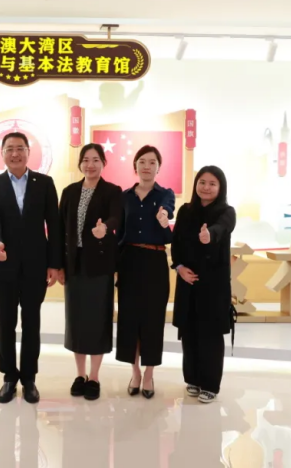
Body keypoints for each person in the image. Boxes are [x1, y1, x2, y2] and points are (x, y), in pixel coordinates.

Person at [0, 132, 62, 404]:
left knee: (31, 323)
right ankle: (9, 377)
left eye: (20, 148)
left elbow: (54, 224)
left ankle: (29, 379)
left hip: (35, 266)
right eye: (9, 149)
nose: (15, 154)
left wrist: (54, 263)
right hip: (2, 264)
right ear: (2, 153)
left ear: (29, 152)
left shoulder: (44, 183)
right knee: (6, 323)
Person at [58, 143, 122, 401]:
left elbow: (117, 217)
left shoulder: (112, 191)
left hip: (100, 265)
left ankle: (94, 377)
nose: (90, 164)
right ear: (80, 164)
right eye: (86, 159)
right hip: (74, 264)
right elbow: (60, 230)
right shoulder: (70, 192)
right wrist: (59, 264)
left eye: (96, 159)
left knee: (98, 320)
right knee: (76, 320)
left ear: (103, 163)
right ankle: (80, 374)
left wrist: (105, 227)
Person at [171, 166, 236, 404]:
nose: (206, 187)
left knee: (210, 334)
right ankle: (193, 379)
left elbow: (222, 228)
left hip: (213, 285)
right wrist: (179, 267)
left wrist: (210, 235)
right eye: (202, 182)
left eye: (212, 183)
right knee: (189, 333)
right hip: (187, 280)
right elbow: (176, 243)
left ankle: (210, 384)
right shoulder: (186, 210)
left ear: (220, 188)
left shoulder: (227, 212)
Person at [116, 145, 175, 399]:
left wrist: (164, 217)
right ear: (135, 166)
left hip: (154, 260)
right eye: (142, 161)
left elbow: (168, 208)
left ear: (158, 167)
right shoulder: (124, 197)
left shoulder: (165, 194)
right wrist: (115, 266)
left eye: (152, 162)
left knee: (152, 319)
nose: (147, 166)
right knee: (129, 319)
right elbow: (119, 232)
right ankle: (135, 372)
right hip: (129, 260)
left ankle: (149, 374)